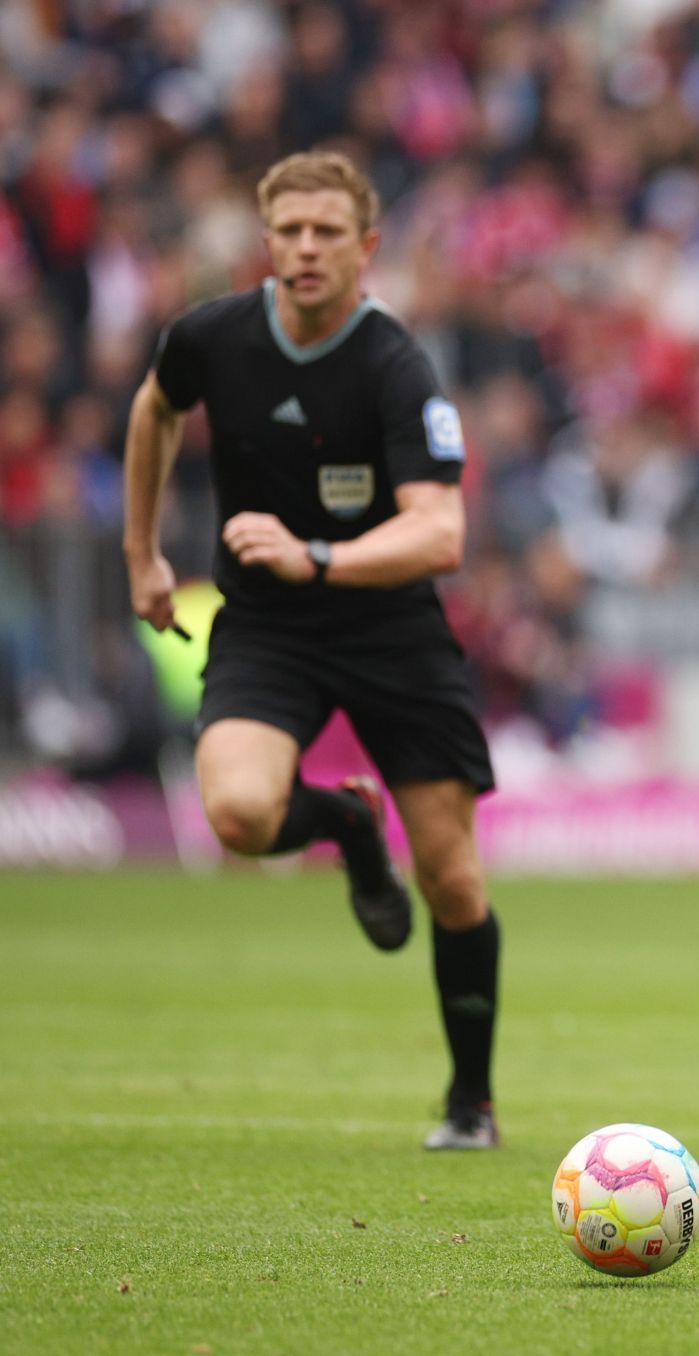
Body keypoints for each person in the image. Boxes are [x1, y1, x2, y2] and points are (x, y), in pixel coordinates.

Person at [122, 151, 502, 1150]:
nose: (305, 249)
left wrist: (316, 552)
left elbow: (441, 534)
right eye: (289, 231)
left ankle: (471, 1101)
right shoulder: (211, 337)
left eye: (327, 232)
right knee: (241, 815)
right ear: (266, 243)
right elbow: (154, 408)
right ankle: (344, 824)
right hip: (269, 625)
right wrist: (141, 555)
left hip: (390, 628)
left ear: (365, 248)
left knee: (454, 878)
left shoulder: (395, 365)